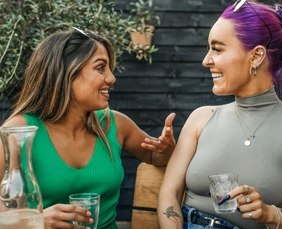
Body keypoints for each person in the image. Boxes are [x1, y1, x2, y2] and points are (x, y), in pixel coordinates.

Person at [157, 1, 282, 229]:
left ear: (256, 56)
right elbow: (169, 192)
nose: (206, 60)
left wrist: (269, 214)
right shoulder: (201, 119)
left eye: (217, 49)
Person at [0, 28, 176, 229]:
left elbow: (155, 157)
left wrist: (165, 149)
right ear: (66, 72)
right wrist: (33, 221)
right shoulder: (19, 131)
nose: (111, 78)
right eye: (101, 68)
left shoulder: (114, 124)